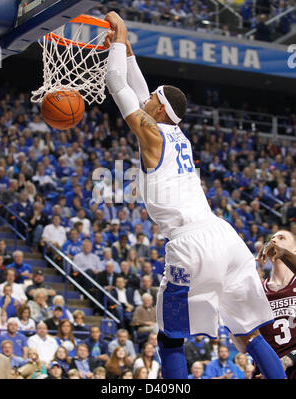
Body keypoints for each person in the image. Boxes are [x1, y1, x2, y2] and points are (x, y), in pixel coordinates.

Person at [103, 11, 286, 379]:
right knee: (248, 334)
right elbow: (140, 88)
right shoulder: (175, 133)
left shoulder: (152, 134)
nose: (147, 98)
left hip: (191, 245)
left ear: (157, 109)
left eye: (152, 98)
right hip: (225, 237)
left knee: (170, 341)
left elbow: (116, 82)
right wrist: (126, 47)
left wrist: (120, 35)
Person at [255, 230, 296, 378]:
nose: (274, 240)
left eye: (281, 238)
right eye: (272, 238)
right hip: (268, 372)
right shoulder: (257, 290)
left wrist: (288, 359)